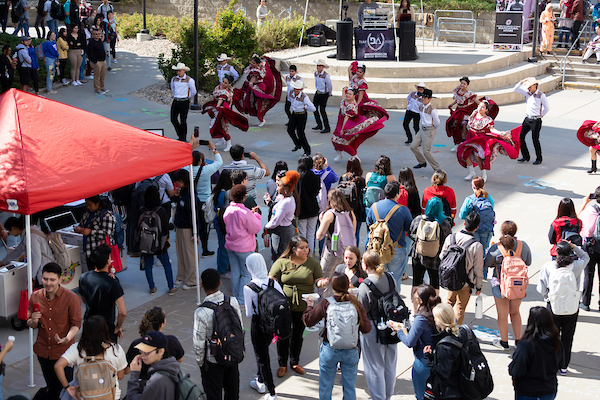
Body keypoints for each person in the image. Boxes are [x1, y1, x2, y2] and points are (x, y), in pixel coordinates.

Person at [302, 274, 371, 400]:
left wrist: (309, 305)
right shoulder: (355, 303)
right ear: (347, 286)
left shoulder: (326, 303)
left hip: (330, 348)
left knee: (326, 386)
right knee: (349, 386)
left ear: (332, 287)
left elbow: (308, 321)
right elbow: (366, 328)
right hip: (351, 350)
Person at [269, 236, 328, 377]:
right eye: (302, 248)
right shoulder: (281, 263)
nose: (306, 250)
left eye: (307, 247)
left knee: (297, 335)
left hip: (303, 307)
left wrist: (322, 283)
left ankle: (294, 361)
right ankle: (282, 364)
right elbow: (271, 280)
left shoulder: (313, 263)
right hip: (284, 306)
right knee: (283, 335)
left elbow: (318, 280)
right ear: (294, 249)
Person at [27, 262, 81, 400]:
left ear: (60, 279)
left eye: (52, 280)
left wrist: (67, 338)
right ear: (41, 277)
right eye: (45, 279)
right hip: (43, 351)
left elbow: (76, 324)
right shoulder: (35, 296)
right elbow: (31, 324)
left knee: (66, 389)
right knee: (52, 386)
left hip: (64, 353)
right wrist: (33, 320)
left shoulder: (71, 298)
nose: (48, 283)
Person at [537, 241, 588, 375]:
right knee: (567, 336)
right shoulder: (576, 266)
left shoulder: (549, 267)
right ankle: (563, 365)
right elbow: (586, 257)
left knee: (551, 336)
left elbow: (541, 288)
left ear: (556, 252)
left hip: (553, 305)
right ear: (570, 253)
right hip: (571, 306)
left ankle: (551, 363)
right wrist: (575, 247)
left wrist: (547, 297)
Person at [194, 268, 243, 400]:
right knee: (232, 392)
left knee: (213, 394)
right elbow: (240, 328)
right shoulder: (232, 301)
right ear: (219, 283)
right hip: (232, 354)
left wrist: (201, 363)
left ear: (202, 284)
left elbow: (198, 342)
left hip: (213, 359)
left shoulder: (201, 312)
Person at [54, 315, 127, 400]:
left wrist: (67, 387)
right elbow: (120, 376)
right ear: (105, 330)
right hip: (111, 396)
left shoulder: (77, 348)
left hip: (84, 396)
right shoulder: (115, 349)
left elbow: (58, 366)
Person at [484, 221, 532, 350]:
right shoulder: (523, 246)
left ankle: (504, 342)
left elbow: (487, 263)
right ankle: (518, 340)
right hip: (518, 284)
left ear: (502, 231)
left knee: (502, 314)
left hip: (500, 284)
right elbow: (529, 261)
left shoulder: (496, 248)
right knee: (515, 312)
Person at [357, 250, 398, 400]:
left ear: (365, 265)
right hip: (392, 324)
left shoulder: (365, 285)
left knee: (374, 365)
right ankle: (387, 395)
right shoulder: (390, 277)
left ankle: (378, 397)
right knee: (390, 363)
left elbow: (362, 310)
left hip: (373, 327)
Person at [243, 253, 283, 400]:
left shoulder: (249, 288)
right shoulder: (274, 283)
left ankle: (271, 393)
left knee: (262, 358)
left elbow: (248, 313)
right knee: (264, 354)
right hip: (273, 326)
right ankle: (260, 380)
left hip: (258, 325)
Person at [392, 285, 441, 400]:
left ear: (421, 301)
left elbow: (410, 342)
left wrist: (399, 332)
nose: (413, 300)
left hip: (423, 362)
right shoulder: (439, 312)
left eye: (416, 298)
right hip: (440, 359)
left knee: (421, 395)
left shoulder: (421, 319)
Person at [509, 306, 564, 400]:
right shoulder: (557, 342)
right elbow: (561, 363)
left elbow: (516, 370)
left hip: (527, 391)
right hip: (549, 390)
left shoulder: (526, 344)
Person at [457, 100, 520, 182]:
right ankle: (471, 172)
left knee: (477, 155)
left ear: (486, 110)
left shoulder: (487, 119)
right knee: (465, 152)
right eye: (479, 106)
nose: (480, 108)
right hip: (471, 137)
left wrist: (500, 133)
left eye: (482, 107)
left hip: (480, 139)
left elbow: (491, 129)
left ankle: (483, 174)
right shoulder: (474, 113)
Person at [366, 181, 413, 290]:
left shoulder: (374, 207)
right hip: (397, 248)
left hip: (377, 248)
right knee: (395, 280)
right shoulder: (403, 210)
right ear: (397, 195)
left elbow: (369, 224)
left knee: (377, 277)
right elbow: (409, 228)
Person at [439, 212, 483, 325]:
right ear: (477, 227)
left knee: (449, 302)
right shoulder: (477, 246)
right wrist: (478, 286)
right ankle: (456, 333)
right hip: (466, 282)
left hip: (451, 277)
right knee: (460, 308)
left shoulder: (451, 237)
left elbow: (442, 256)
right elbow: (478, 269)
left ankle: (443, 325)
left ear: (464, 223)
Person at [79, 244, 127, 342]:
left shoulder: (83, 277)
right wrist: (118, 327)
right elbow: (122, 312)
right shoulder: (112, 283)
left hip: (89, 325)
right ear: (108, 261)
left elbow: (84, 299)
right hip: (106, 328)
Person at [223, 184, 262, 305]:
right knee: (246, 273)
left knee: (235, 272)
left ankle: (235, 297)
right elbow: (255, 228)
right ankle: (241, 299)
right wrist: (255, 215)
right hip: (244, 248)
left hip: (230, 245)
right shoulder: (245, 212)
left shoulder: (228, 209)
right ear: (244, 197)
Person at [125, 307, 185, 383]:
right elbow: (180, 359)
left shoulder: (136, 344)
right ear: (161, 325)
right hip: (168, 382)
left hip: (144, 384)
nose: (143, 354)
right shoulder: (172, 341)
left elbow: (126, 370)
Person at [409, 197, 452, 299]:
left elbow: (411, 233)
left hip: (418, 255)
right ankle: (434, 307)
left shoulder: (418, 219)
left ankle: (415, 309)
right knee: (435, 283)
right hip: (435, 258)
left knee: (416, 282)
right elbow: (448, 239)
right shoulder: (444, 223)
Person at [423, 303, 467, 400]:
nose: (434, 319)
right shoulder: (465, 332)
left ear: (439, 321)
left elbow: (443, 372)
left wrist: (428, 358)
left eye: (435, 317)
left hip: (452, 392)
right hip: (466, 386)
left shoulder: (444, 346)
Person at [139, 186, 177, 295]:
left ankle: (152, 287)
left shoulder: (141, 210)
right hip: (160, 242)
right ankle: (171, 287)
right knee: (166, 263)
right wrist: (167, 239)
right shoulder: (161, 210)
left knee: (148, 264)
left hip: (146, 243)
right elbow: (165, 227)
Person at [316, 188, 357, 287]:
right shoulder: (351, 213)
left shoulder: (330, 214)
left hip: (332, 251)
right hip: (347, 252)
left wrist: (321, 221)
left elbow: (319, 236)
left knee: (325, 280)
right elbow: (353, 232)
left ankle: (325, 302)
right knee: (342, 281)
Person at [332, 88, 386, 161]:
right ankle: (339, 154)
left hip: (348, 124)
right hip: (340, 122)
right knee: (334, 140)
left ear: (354, 96)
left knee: (345, 142)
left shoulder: (351, 106)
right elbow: (342, 101)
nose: (347, 95)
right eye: (347, 93)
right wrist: (343, 91)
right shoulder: (345, 100)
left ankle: (356, 157)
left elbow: (346, 117)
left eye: (350, 94)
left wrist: (343, 129)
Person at [127, 330, 183, 400]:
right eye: (141, 351)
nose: (142, 355)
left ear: (160, 352)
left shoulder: (156, 381)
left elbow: (132, 398)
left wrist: (134, 375)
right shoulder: (173, 368)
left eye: (147, 352)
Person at [0, 216, 55, 285]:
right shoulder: (28, 233)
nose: (10, 234)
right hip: (47, 268)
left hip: (45, 271)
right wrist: (4, 261)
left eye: (9, 231)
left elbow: (37, 258)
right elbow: (18, 250)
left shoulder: (30, 237)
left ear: (13, 228)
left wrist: (31, 276)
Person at [172, 168, 202, 290]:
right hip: (180, 227)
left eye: (179, 181)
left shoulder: (191, 196)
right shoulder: (183, 193)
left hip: (188, 229)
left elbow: (196, 216)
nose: (177, 184)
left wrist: (196, 233)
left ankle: (193, 279)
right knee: (181, 253)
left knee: (190, 254)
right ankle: (182, 275)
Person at [202, 74, 249, 152]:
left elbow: (221, 100)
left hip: (222, 110)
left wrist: (217, 107)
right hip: (216, 109)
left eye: (225, 83)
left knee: (223, 127)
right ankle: (221, 139)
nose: (223, 83)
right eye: (223, 81)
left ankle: (228, 143)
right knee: (215, 125)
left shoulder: (225, 92)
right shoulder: (219, 87)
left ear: (229, 84)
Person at [232, 55, 281, 126]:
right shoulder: (256, 67)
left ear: (257, 64)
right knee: (246, 100)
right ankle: (246, 114)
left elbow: (252, 80)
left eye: (253, 63)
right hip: (250, 88)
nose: (251, 64)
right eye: (251, 62)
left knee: (257, 104)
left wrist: (251, 83)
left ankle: (261, 119)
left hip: (256, 88)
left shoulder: (256, 71)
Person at [191, 142, 221, 257]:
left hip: (192, 200)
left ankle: (193, 248)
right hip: (204, 202)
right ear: (200, 160)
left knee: (193, 224)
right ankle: (204, 249)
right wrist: (213, 148)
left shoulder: (187, 169)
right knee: (204, 226)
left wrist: (191, 147)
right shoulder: (206, 170)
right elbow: (219, 162)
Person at [513, 77, 550, 164]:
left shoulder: (541, 95)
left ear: (535, 85)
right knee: (520, 136)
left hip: (536, 120)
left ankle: (539, 158)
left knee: (535, 139)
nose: (528, 88)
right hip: (527, 119)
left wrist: (541, 116)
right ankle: (525, 156)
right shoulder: (527, 94)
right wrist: (522, 81)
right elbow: (515, 89)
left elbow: (547, 108)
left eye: (530, 86)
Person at [265, 170, 299, 261]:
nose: (277, 187)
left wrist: (266, 227)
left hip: (281, 232)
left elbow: (276, 221)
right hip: (284, 230)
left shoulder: (285, 202)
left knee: (279, 255)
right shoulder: (288, 199)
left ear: (286, 189)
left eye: (279, 186)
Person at [344, 62, 388, 131]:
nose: (358, 73)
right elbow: (351, 79)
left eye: (360, 72)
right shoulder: (355, 77)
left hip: (359, 99)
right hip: (352, 97)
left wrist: (357, 104)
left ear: (363, 73)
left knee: (358, 114)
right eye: (357, 71)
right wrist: (349, 70)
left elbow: (361, 95)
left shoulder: (362, 82)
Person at [73, 195, 116, 264]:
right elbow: (82, 224)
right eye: (87, 205)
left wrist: (90, 232)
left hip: (101, 252)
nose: (88, 207)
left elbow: (107, 234)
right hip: (88, 250)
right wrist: (78, 228)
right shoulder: (87, 213)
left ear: (97, 203)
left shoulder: (107, 215)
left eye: (90, 205)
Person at [458, 177, 495, 255]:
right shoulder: (488, 197)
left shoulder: (470, 199)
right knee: (484, 252)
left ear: (473, 186)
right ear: (483, 185)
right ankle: (484, 267)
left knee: (473, 253)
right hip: (487, 228)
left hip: (474, 230)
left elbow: (462, 215)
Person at [579, 186, 600, 311]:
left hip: (591, 246)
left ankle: (585, 302)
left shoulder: (588, 211)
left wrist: (584, 203)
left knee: (588, 275)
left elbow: (576, 220)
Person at [411, 88, 441, 170]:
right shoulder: (421, 106)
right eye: (422, 97)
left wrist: (434, 129)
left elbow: (437, 122)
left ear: (429, 99)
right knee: (413, 146)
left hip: (429, 129)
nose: (422, 99)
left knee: (426, 151)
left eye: (424, 97)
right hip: (422, 129)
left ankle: (437, 169)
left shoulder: (432, 109)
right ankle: (422, 162)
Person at [339, 156, 367, 244]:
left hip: (345, 208)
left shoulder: (343, 178)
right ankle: (355, 252)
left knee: (344, 232)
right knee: (356, 233)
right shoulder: (361, 180)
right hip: (357, 210)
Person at [446, 77, 478, 151]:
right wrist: (452, 104)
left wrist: (482, 104)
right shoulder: (457, 90)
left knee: (464, 126)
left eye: (464, 84)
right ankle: (457, 144)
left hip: (465, 111)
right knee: (454, 125)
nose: (462, 85)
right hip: (458, 110)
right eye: (461, 83)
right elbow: (457, 100)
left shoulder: (468, 93)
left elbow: (475, 100)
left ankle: (467, 143)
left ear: (467, 85)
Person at [296, 156, 320, 255]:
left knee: (302, 234)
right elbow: (317, 192)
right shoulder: (316, 177)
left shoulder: (298, 178)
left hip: (301, 210)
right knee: (311, 234)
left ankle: (302, 254)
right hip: (313, 208)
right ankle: (309, 255)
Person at [287, 79, 316, 156]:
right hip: (294, 114)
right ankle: (297, 144)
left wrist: (305, 107)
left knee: (300, 133)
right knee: (290, 130)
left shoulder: (304, 97)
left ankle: (307, 150)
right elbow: (290, 100)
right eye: (295, 88)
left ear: (301, 89)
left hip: (301, 115)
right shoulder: (290, 93)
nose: (296, 90)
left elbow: (313, 108)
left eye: (298, 89)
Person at [212, 170, 233, 274]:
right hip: (223, 223)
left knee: (222, 245)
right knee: (224, 246)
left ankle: (224, 266)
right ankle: (223, 268)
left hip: (219, 222)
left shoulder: (219, 191)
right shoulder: (224, 194)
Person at [170, 62, 196, 141]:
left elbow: (193, 91)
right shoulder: (174, 79)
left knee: (183, 120)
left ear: (184, 70)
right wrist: (177, 95)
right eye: (177, 71)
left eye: (180, 71)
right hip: (176, 100)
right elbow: (173, 88)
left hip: (184, 101)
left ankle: (183, 138)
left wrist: (188, 98)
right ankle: (180, 134)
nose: (178, 72)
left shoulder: (189, 80)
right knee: (173, 119)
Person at [312, 58, 332, 134]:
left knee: (322, 110)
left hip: (324, 94)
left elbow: (329, 85)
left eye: (320, 66)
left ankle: (327, 127)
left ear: (323, 67)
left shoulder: (326, 75)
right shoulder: (316, 74)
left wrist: (329, 93)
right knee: (314, 108)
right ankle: (319, 124)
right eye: (317, 66)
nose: (318, 67)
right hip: (318, 92)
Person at [87, 27, 107, 94]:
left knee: (103, 75)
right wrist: (94, 61)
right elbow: (90, 53)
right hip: (96, 62)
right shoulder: (91, 42)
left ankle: (102, 87)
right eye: (96, 34)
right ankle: (97, 89)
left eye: (98, 34)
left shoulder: (99, 41)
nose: (98, 35)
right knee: (97, 76)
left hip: (103, 60)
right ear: (92, 35)